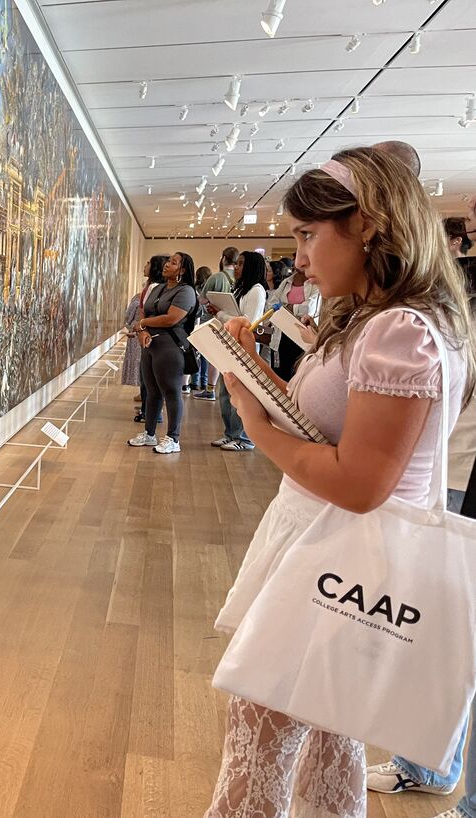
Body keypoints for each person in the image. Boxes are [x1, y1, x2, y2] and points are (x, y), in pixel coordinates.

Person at [206, 147, 475, 818]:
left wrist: (251, 419)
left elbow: (359, 483)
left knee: (259, 741)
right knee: (329, 738)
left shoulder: (397, 332)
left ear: (369, 225)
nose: (297, 255)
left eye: (307, 233)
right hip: (336, 550)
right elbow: (325, 426)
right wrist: (254, 372)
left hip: (341, 554)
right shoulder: (380, 320)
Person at [363, 245, 476, 818]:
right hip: (445, 471)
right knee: (432, 632)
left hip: (452, 475)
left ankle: (448, 778)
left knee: (446, 634)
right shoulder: (444, 306)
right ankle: (429, 764)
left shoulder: (421, 319)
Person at [127, 252, 198, 455]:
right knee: (151, 391)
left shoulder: (186, 292)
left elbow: (171, 318)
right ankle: (149, 434)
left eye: (173, 263)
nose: (167, 265)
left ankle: (173, 438)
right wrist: (142, 331)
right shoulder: (158, 288)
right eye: (168, 261)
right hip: (150, 345)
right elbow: (143, 311)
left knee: (171, 391)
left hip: (171, 347)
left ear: (182, 270)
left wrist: (142, 324)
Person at [208, 251, 268, 451]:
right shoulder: (242, 289)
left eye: (241, 264)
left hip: (244, 348)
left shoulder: (257, 290)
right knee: (226, 393)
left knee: (242, 394)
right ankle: (230, 433)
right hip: (230, 346)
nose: (237, 268)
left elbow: (246, 322)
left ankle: (244, 438)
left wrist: (221, 313)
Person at [129, 256, 168, 423]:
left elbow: (149, 313)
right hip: (148, 335)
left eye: (148, 263)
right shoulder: (153, 287)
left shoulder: (154, 288)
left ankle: (151, 414)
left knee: (149, 380)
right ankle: (148, 412)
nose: (145, 266)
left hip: (151, 337)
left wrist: (142, 326)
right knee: (148, 379)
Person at [193, 255, 237, 401]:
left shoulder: (217, 277)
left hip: (212, 321)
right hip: (231, 324)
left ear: (224, 258)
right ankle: (209, 387)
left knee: (209, 357)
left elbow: (202, 299)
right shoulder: (237, 279)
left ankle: (208, 389)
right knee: (216, 359)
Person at [267, 264, 321, 382]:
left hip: (303, 336)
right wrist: (294, 309)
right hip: (281, 336)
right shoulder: (287, 282)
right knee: (280, 375)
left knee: (299, 376)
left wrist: (285, 307)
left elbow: (309, 309)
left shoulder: (316, 283)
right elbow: (271, 305)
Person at [191, 266, 214, 391]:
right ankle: (204, 382)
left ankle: (194, 382)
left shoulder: (193, 290)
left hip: (196, 324)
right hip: (208, 325)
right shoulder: (211, 292)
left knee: (195, 355)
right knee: (206, 357)